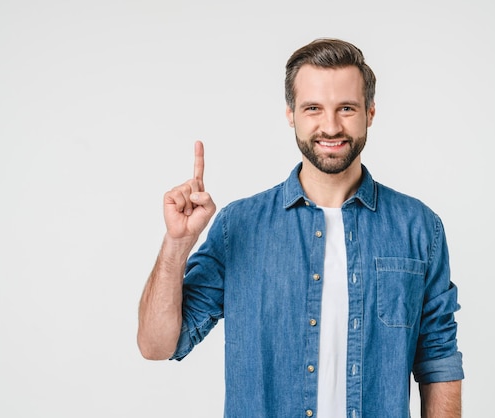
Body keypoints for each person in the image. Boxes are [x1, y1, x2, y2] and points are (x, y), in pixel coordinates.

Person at [137, 38, 464, 417]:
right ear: (291, 113)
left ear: (370, 112)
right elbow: (157, 345)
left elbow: (438, 361)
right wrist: (178, 244)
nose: (330, 126)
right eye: (313, 108)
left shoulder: (419, 228)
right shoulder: (238, 226)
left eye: (346, 108)